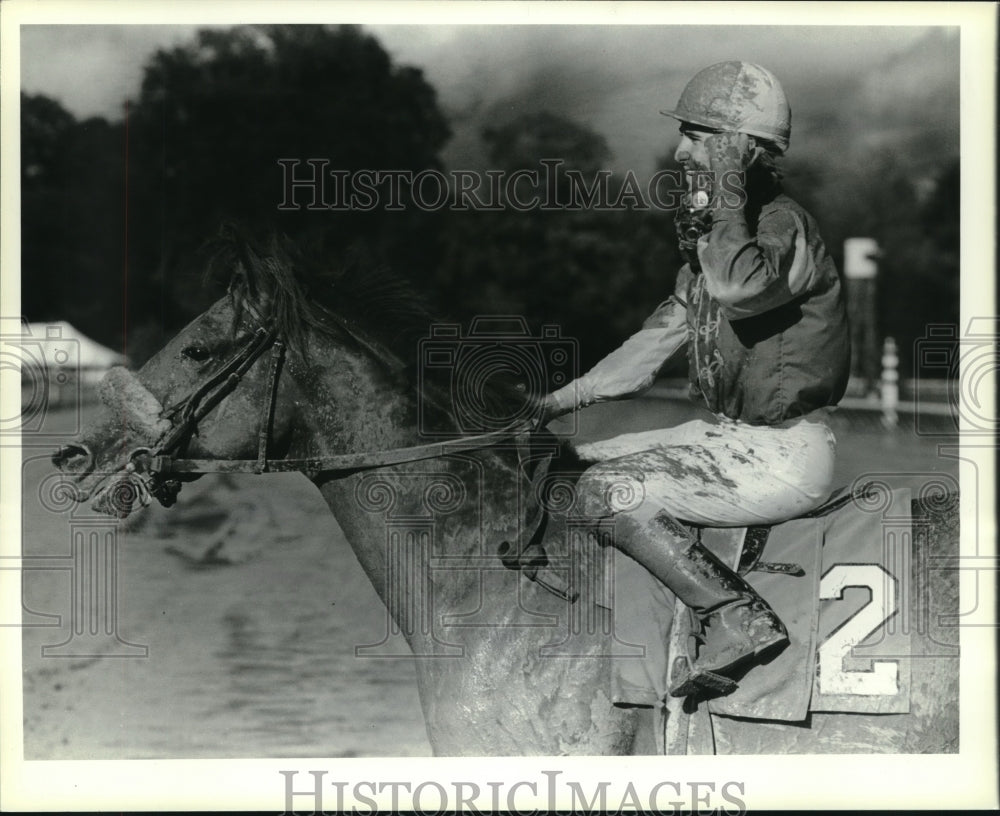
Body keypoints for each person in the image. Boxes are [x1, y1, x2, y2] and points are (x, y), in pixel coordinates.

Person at [540, 61, 850, 698]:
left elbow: (740, 287)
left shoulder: (783, 228)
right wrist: (549, 404)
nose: (681, 151)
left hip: (786, 454)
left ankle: (738, 616)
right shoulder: (715, 244)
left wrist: (728, 183)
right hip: (730, 440)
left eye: (697, 135)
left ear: (738, 146)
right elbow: (652, 347)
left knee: (602, 494)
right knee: (564, 468)